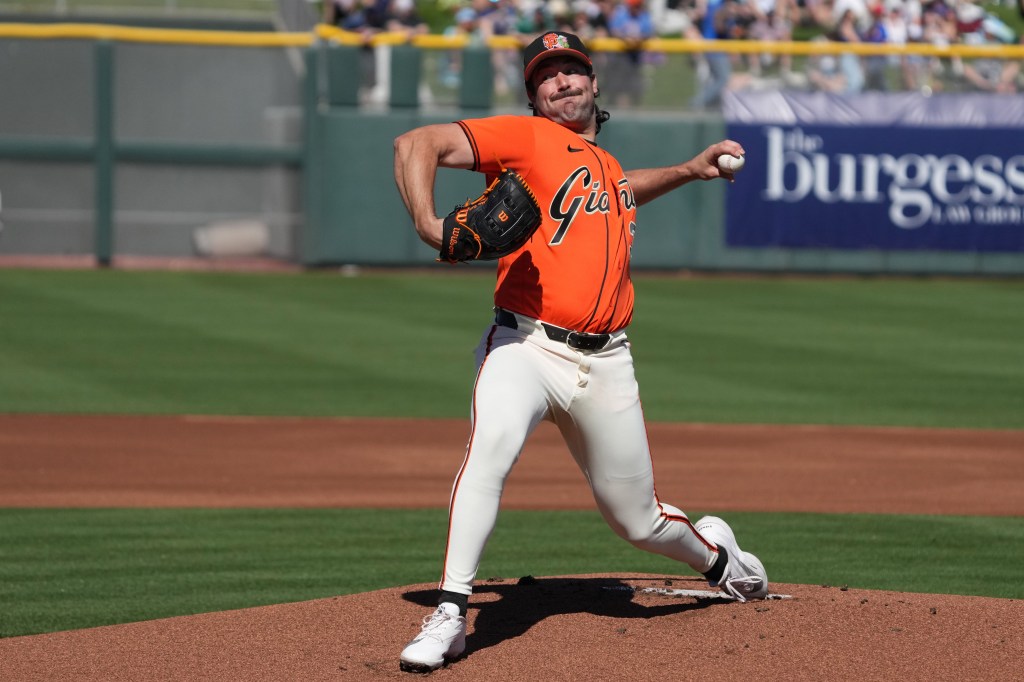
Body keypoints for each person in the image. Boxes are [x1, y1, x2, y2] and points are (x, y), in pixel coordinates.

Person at [392, 30, 769, 674]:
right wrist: (429, 225)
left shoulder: (606, 165)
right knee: (492, 451)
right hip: (525, 342)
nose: (561, 82)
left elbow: (619, 191)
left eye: (571, 71)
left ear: (594, 84)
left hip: (607, 361)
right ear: (534, 96)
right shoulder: (527, 139)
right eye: (546, 76)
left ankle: (718, 560)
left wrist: (685, 170)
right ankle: (452, 612)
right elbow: (415, 143)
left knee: (638, 522)